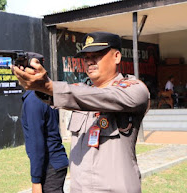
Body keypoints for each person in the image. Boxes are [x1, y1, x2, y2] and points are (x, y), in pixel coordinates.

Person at [13, 32, 150, 192]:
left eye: (97, 55)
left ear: (117, 56)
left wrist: (48, 87)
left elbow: (102, 96)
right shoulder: (81, 90)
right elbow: (63, 92)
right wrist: (39, 84)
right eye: (86, 57)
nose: (90, 61)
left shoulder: (134, 89)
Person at [21, 90, 68, 193]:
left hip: (50, 165)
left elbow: (37, 143)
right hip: (56, 162)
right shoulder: (45, 96)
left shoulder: (33, 100)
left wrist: (36, 180)